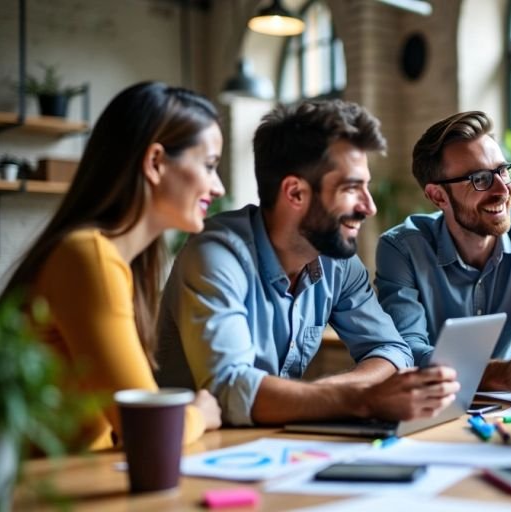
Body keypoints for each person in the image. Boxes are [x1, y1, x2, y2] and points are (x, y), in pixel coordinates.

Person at [156, 99, 459, 426]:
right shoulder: (215, 255)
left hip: (278, 445)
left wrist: (325, 392)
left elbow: (392, 350)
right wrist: (363, 398)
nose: (369, 206)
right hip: (190, 454)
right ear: (295, 193)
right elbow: (230, 390)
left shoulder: (337, 261)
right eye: (352, 188)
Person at [0, 82, 224, 450]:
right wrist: (199, 411)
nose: (217, 186)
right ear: (155, 163)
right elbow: (149, 430)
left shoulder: (106, 259)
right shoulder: (88, 257)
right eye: (210, 165)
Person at [374, 111, 511, 395]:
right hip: (434, 408)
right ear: (438, 196)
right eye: (480, 179)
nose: (502, 189)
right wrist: (501, 374)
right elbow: (406, 354)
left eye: (502, 171)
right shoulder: (402, 249)